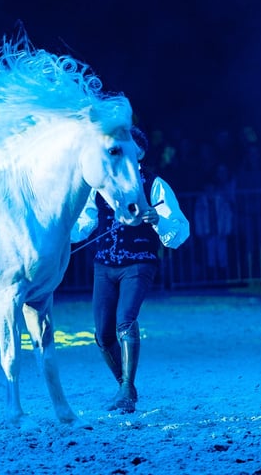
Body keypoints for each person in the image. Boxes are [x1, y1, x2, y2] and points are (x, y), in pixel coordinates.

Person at [71, 128, 189, 414]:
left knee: (125, 321)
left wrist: (157, 219)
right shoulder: (101, 184)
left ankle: (126, 390)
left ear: (141, 152)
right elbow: (86, 222)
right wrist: (62, 235)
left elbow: (180, 230)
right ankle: (126, 387)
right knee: (102, 335)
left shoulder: (155, 184)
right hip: (104, 265)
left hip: (139, 262)